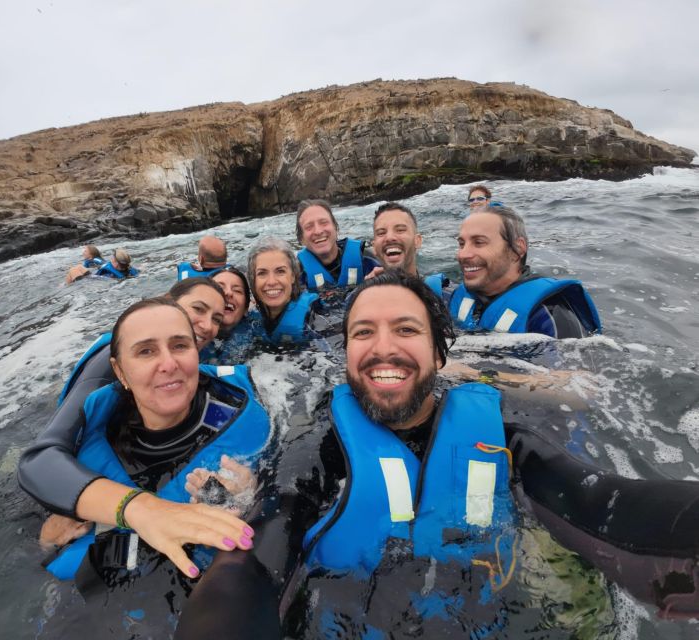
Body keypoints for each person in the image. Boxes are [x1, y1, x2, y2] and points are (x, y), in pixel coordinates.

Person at [175, 272, 699, 638]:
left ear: (439, 354)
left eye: (406, 329)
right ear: (347, 355)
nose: (383, 347)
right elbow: (255, 562)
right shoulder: (316, 449)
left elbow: (604, 503)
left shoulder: (504, 442)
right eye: (363, 333)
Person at [24, 297, 269, 637]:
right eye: (146, 352)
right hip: (90, 601)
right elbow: (41, 533)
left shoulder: (244, 418)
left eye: (180, 346)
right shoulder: (91, 432)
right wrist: (49, 540)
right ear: (120, 371)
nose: (168, 363)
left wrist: (250, 498)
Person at [56, 277, 227, 405]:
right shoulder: (112, 355)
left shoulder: (199, 352)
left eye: (217, 319)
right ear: (170, 301)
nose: (207, 326)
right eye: (198, 309)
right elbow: (55, 441)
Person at [449, 205, 601, 337]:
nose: (463, 254)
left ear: (517, 249)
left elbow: (576, 371)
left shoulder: (549, 316)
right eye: (462, 244)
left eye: (479, 242)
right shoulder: (455, 296)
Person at [246, 237, 320, 344]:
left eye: (280, 271)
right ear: (253, 280)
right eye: (262, 273)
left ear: (293, 276)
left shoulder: (314, 313)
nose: (271, 282)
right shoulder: (249, 316)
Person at [295, 199, 379, 291]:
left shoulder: (366, 259)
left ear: (336, 228)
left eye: (324, 223)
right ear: (301, 239)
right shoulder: (296, 274)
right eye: (309, 227)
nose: (318, 231)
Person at [369, 202, 445, 295]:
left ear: (417, 241)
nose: (389, 237)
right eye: (381, 233)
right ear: (374, 248)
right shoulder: (358, 299)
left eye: (400, 230)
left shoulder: (443, 296)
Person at [202, 267, 255, 364]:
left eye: (237, 290)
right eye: (219, 287)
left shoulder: (258, 333)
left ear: (246, 308)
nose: (228, 293)